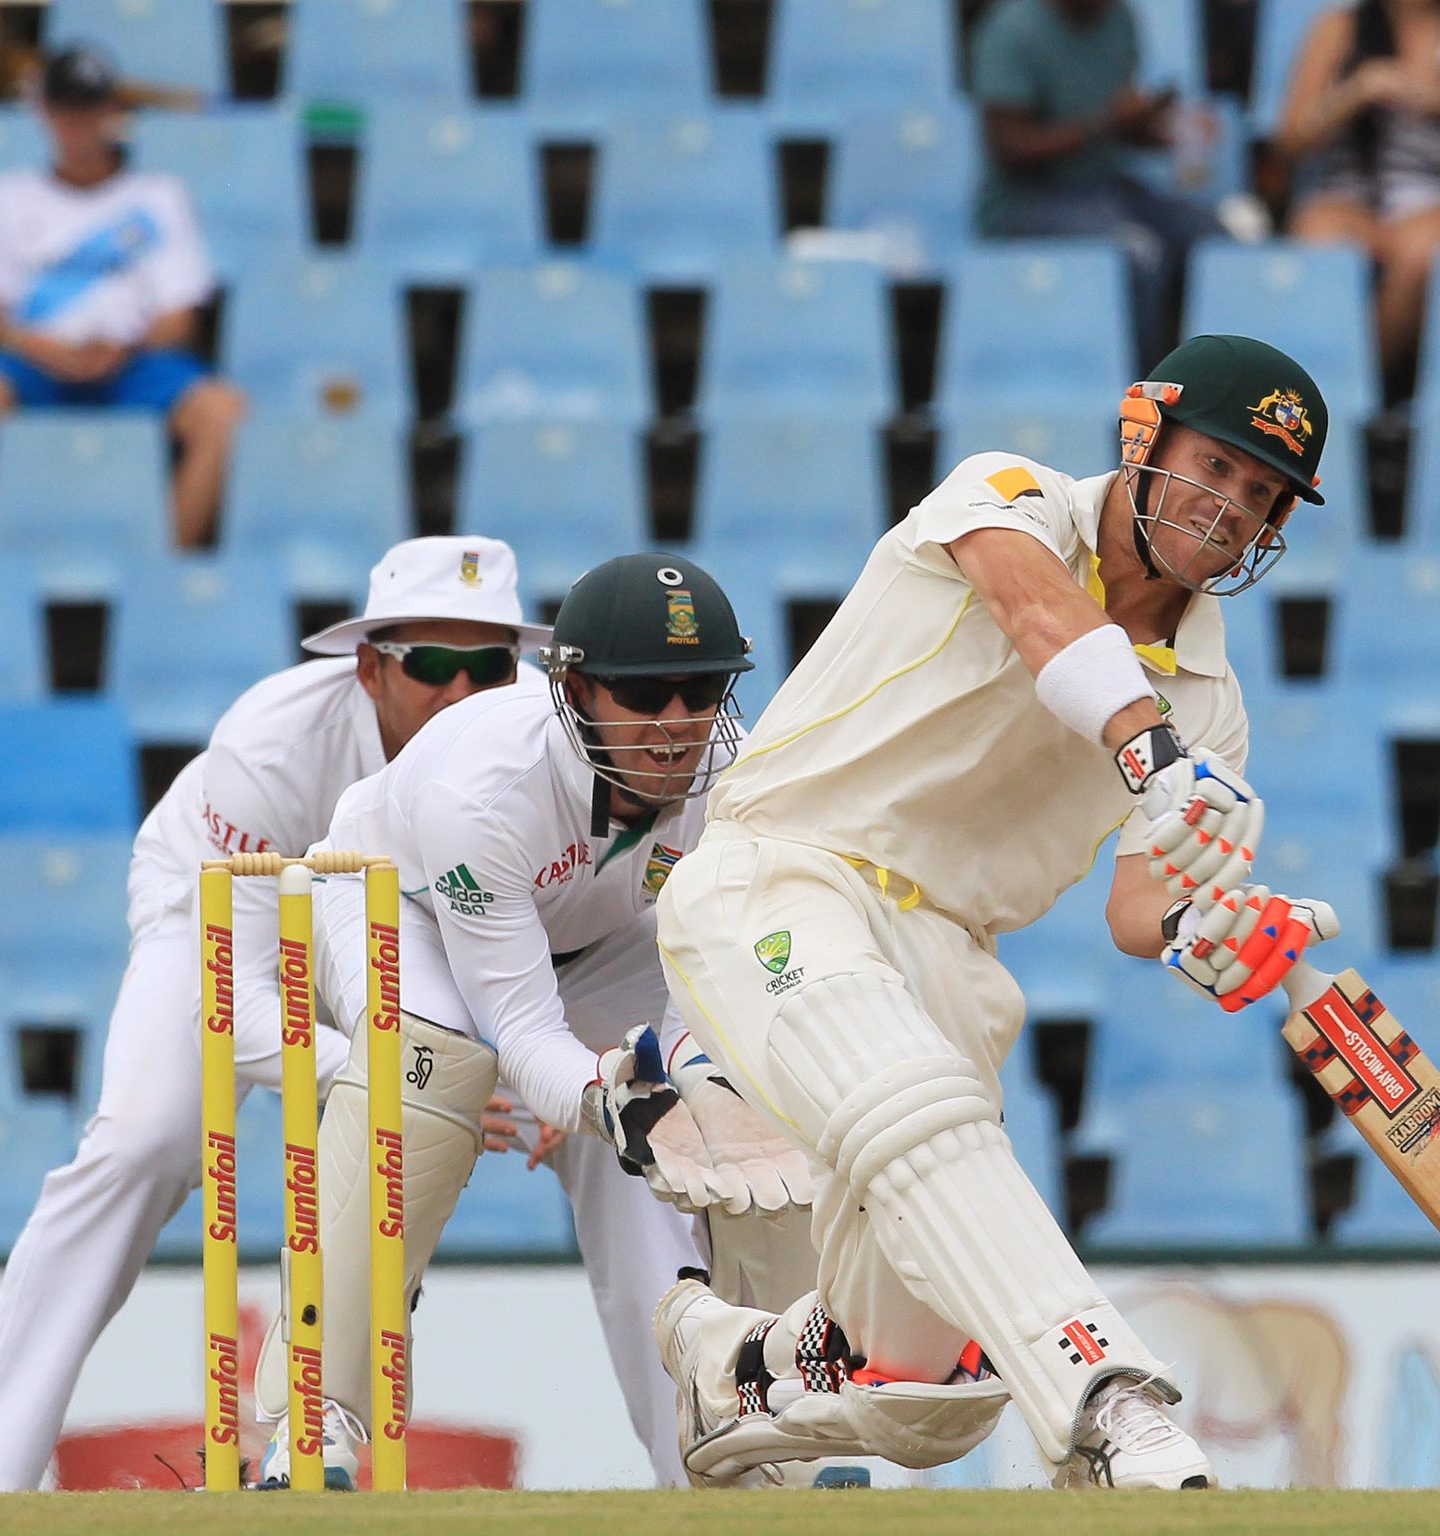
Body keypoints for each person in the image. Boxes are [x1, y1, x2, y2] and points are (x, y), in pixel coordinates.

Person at [646, 335, 1344, 1489]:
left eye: (1260, 496)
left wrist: (1200, 932)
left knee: (919, 1384)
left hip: (947, 954)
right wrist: (1149, 752)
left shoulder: (1209, 698)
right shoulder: (1005, 497)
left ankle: (735, 1366)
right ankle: (1109, 1395)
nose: (1229, 511)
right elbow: (1038, 617)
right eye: (1214, 469)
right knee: (908, 1107)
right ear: (1143, 435)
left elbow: (1136, 907)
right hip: (781, 871)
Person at [0, 537, 549, 1493]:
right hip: (221, 920)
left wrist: (551, 1073)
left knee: (551, 1137)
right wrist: (392, 1071)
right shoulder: (272, 742)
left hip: (402, 926)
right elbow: (237, 995)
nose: (461, 693)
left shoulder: (546, 738)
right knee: (144, 1142)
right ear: (372, 666)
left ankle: (707, 1475)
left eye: (489, 666)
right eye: (431, 665)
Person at [246, 553, 811, 1489]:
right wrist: (606, 1098)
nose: (677, 723)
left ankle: (728, 1448)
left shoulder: (735, 786)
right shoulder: (483, 791)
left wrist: (685, 1082)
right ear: (576, 688)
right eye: (644, 692)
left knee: (715, 1114)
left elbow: (698, 989)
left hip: (605, 943)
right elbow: (517, 1026)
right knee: (425, 1074)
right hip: (403, 906)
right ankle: (318, 1415)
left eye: (701, 689)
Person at [0, 44, 245, 548]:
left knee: (223, 411)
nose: (78, 122)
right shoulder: (6, 195)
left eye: (90, 107)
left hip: (132, 363)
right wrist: (47, 351)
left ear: (113, 112)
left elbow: (180, 316)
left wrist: (121, 350)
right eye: (65, 107)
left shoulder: (159, 195)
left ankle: (167, 565)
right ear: (43, 111)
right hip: (35, 363)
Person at [1276, 0, 1440, 402]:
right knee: (1317, 235)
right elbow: (1290, 143)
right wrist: (1353, 95)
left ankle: (1345, 395)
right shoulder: (1339, 26)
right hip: (1348, 194)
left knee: (1422, 251)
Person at [970, 0, 1227, 369]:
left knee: (1212, 235)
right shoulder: (1011, 30)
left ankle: (1214, 384)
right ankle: (1148, 397)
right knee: (1140, 253)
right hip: (1027, 201)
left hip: (1106, 187)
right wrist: (1106, 122)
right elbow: (1009, 146)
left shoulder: (1119, 18)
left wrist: (1165, 126)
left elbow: (1121, 129)